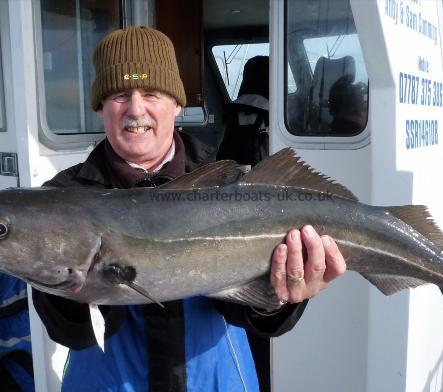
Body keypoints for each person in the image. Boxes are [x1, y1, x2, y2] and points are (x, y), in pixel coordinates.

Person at [31, 26, 347, 391]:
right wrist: (77, 279)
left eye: (151, 92)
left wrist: (282, 295)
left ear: (177, 104)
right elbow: (71, 332)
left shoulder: (227, 184)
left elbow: (256, 318)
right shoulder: (63, 199)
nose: (136, 109)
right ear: (100, 106)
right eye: (119, 94)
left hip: (216, 380)